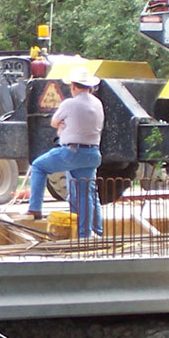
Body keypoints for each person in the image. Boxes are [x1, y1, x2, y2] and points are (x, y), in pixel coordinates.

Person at [22, 67, 104, 238]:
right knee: (86, 194)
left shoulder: (70, 103)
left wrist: (62, 126)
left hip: (72, 151)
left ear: (73, 86)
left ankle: (35, 208)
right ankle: (87, 234)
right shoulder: (97, 103)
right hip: (93, 154)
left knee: (38, 166)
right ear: (89, 87)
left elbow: (54, 122)